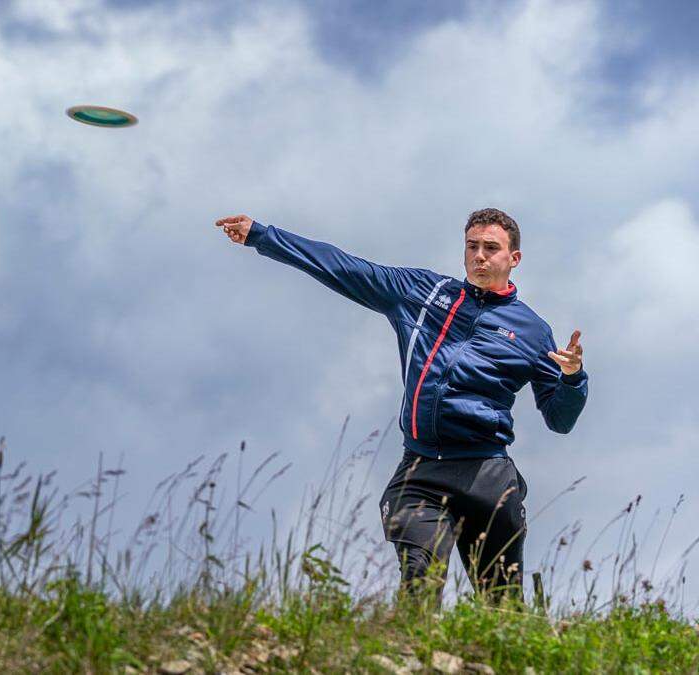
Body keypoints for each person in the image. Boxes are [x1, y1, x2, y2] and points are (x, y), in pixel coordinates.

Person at [215, 209, 587, 604]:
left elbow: (559, 420)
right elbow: (342, 266)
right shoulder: (421, 292)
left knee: (503, 609)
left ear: (514, 259)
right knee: (419, 585)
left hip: (488, 476)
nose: (479, 256)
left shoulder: (533, 331)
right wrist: (262, 236)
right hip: (421, 472)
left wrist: (573, 378)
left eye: (491, 248)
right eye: (472, 246)